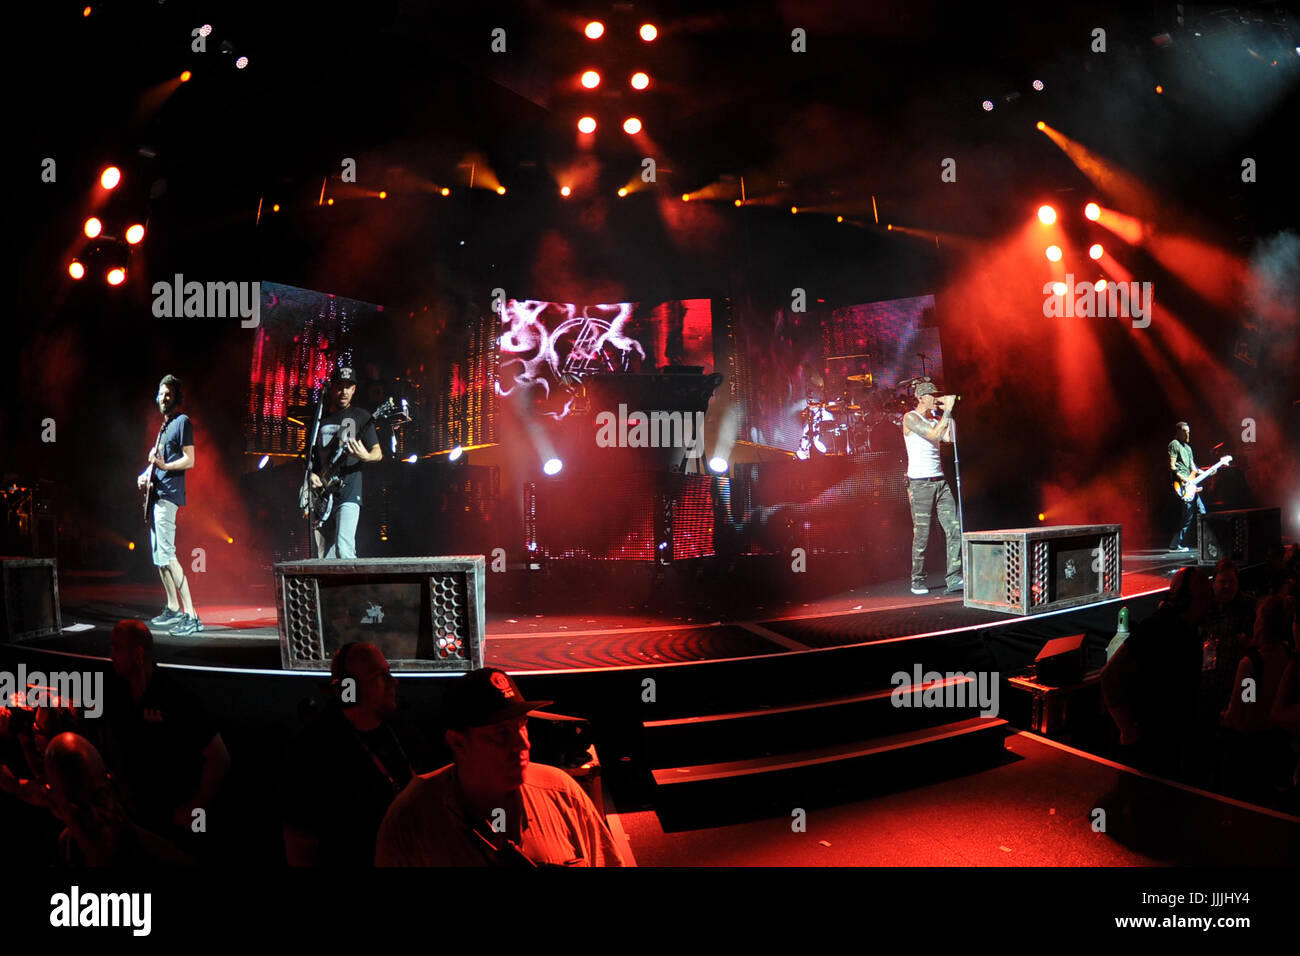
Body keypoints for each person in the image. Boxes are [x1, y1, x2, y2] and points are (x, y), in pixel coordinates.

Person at [375, 668, 628, 867]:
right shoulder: (410, 819)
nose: (522, 743)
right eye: (500, 734)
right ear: (458, 742)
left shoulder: (562, 793)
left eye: (522, 725)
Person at [282, 642, 424, 866]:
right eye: (380, 676)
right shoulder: (313, 751)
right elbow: (300, 839)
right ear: (349, 690)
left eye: (389, 673)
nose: (393, 682)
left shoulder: (401, 729)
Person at [102, 619, 231, 841]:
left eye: (117, 646)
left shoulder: (176, 697)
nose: (110, 654)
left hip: (172, 824)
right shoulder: (115, 694)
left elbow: (220, 758)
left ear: (138, 653)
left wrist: (195, 808)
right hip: (134, 819)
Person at [1102, 566, 1213, 778]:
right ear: (1186, 599)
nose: (1208, 604)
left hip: (1173, 740)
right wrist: (1127, 729)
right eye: (1203, 597)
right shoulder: (1157, 628)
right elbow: (1109, 675)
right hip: (1150, 745)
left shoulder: (1188, 630)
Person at [43, 732, 191, 867]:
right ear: (56, 808)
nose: (95, 816)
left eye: (100, 798)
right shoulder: (66, 851)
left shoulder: (164, 860)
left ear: (112, 786)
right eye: (78, 807)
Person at [136, 374, 202, 636]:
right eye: (161, 393)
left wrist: (162, 466)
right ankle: (173, 606)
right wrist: (146, 473)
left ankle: (192, 615)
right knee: (159, 557)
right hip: (156, 495)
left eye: (169, 394)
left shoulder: (182, 422)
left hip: (168, 496)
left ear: (176, 398)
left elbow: (190, 460)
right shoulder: (164, 428)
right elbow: (158, 464)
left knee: (168, 555)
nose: (164, 398)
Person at [304, 366, 382, 559]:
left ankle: (357, 589)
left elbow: (378, 453)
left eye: (349, 387)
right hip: (322, 496)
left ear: (354, 390)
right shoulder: (319, 421)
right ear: (332, 388)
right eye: (340, 386)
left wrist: (365, 456)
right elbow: (311, 457)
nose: (344, 391)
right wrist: (311, 474)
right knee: (323, 555)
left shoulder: (361, 416)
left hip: (348, 492)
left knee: (344, 547)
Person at [902, 381, 963, 595]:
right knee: (922, 535)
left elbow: (949, 438)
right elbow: (935, 435)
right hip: (920, 485)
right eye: (932, 396)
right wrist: (946, 410)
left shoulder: (936, 419)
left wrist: (949, 414)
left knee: (954, 528)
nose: (936, 399)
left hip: (940, 482)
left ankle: (954, 577)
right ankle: (917, 580)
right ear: (921, 398)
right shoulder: (910, 418)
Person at [1166, 421, 1205, 553]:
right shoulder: (1174, 445)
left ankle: (1205, 542)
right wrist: (1185, 480)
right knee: (1187, 516)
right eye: (1185, 431)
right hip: (1182, 485)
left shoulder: (1188, 448)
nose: (1188, 434)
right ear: (1178, 432)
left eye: (1188, 431)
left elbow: (1193, 468)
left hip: (1190, 485)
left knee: (1201, 512)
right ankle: (1174, 545)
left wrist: (1206, 472)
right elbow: (1172, 466)